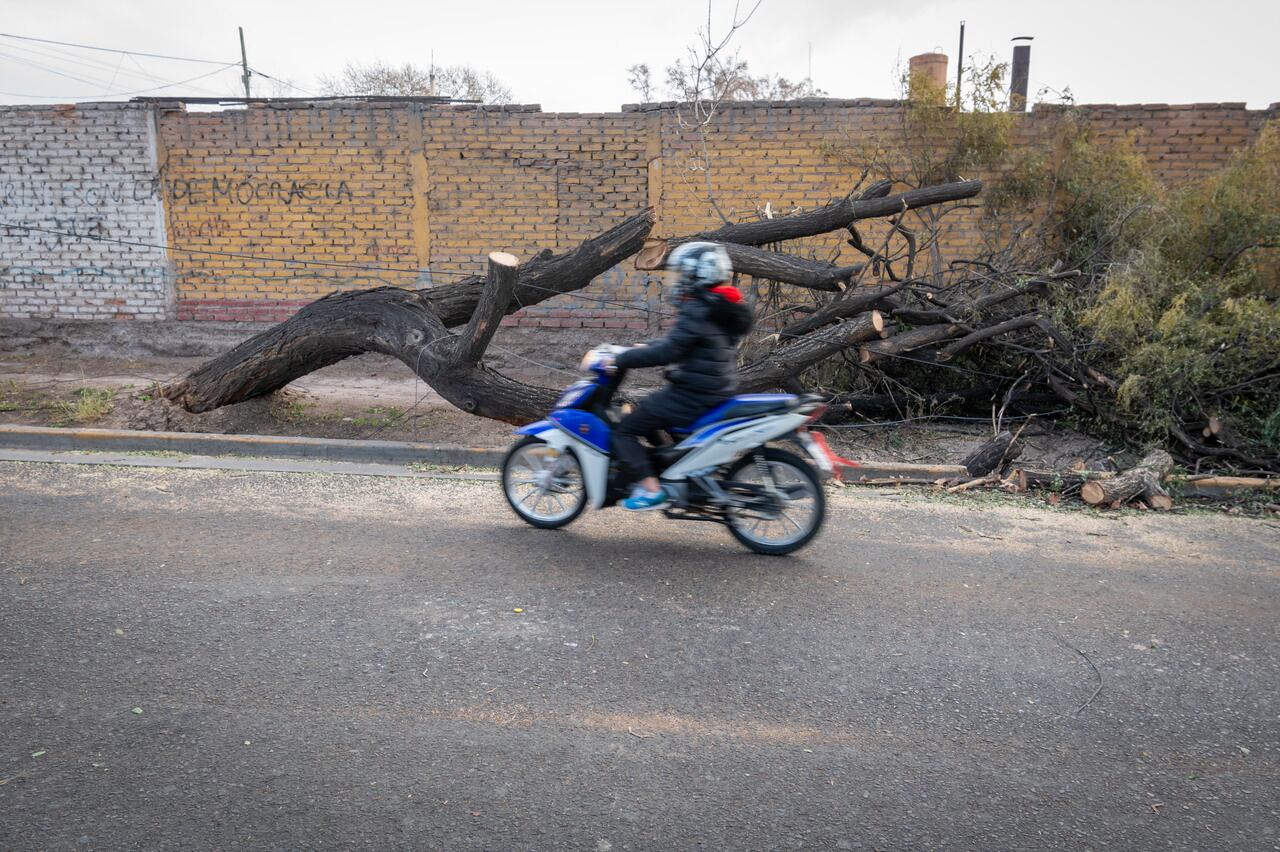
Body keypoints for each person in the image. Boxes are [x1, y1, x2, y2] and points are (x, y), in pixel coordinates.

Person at [608, 241, 753, 511]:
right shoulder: (719, 306)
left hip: (693, 394)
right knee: (648, 415)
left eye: (682, 274)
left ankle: (651, 490)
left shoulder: (698, 308)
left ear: (697, 275)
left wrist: (620, 359)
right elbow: (686, 343)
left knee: (626, 429)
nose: (679, 281)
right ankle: (675, 472)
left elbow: (671, 350)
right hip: (715, 389)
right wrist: (647, 346)